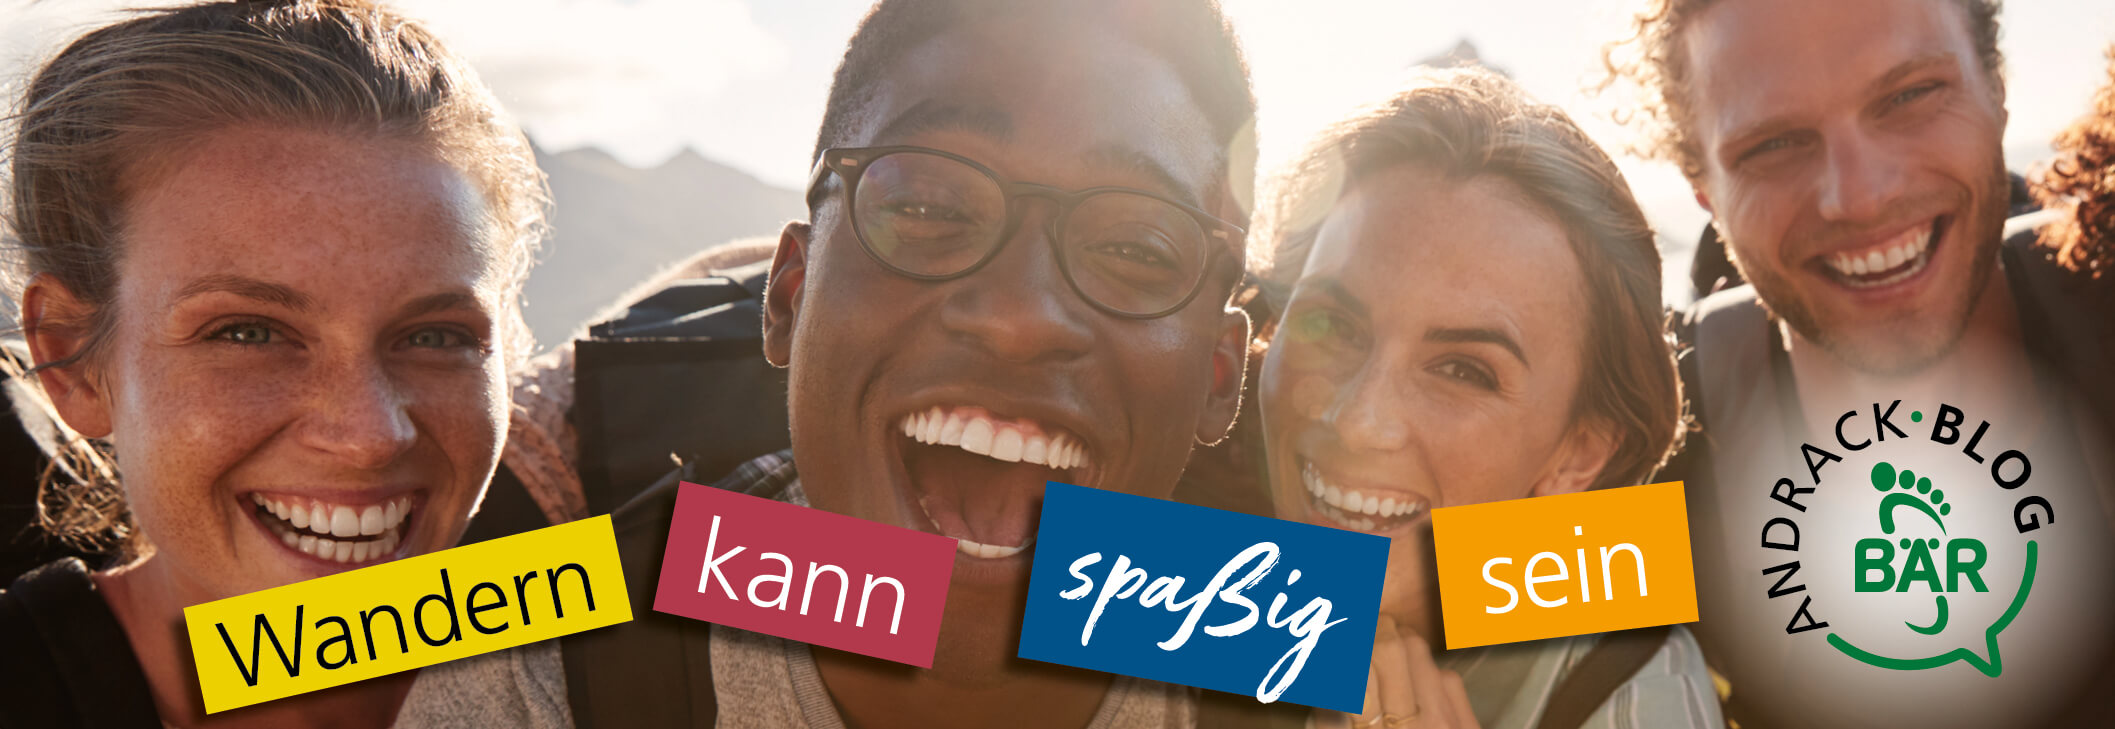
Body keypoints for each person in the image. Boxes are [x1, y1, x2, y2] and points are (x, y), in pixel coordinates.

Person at [531, 1, 1264, 728]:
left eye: (1136, 248)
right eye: (925, 208)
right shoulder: (547, 634)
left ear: (1217, 376)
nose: (1019, 318)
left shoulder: (1299, 642)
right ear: (789, 297)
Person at [0, 1, 550, 727]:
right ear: (68, 360)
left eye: (435, 336)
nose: (370, 434)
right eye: (248, 332)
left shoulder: (609, 596)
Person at [1603, 1, 2115, 726]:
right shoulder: (1683, 456)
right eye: (1774, 144)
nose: (1860, 194)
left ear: (1995, 91)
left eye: (1908, 96)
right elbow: (1434, 590)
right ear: (1704, 191)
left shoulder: (2101, 296)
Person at [1251, 68, 1719, 729]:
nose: (1357, 421)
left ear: (1577, 453)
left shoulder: (1625, 674)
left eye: (1462, 370)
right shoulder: (1132, 514)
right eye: (1331, 325)